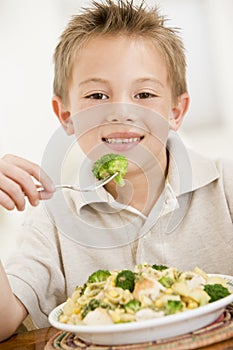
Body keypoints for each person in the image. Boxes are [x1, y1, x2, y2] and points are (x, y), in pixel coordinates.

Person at [0, 0, 233, 341]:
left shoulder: (225, 187)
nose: (121, 112)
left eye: (144, 93)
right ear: (66, 116)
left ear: (175, 112)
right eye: (97, 95)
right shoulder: (51, 218)